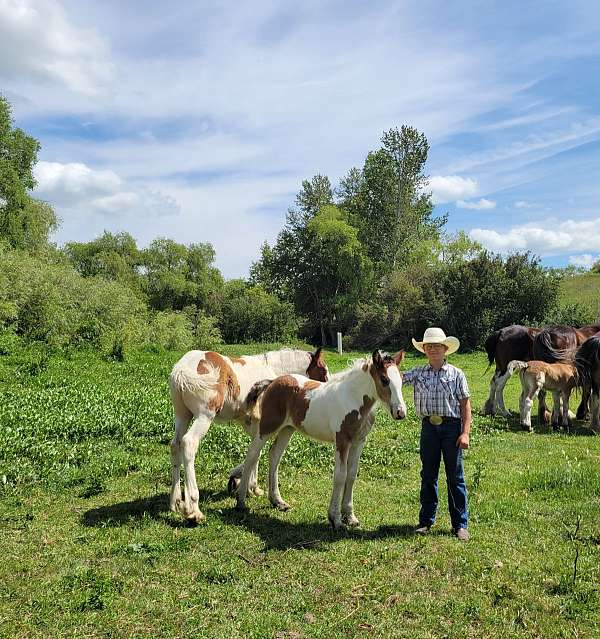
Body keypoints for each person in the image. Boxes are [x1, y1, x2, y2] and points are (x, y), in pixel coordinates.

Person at [402, 327, 471, 541]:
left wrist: (465, 433)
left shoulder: (456, 374)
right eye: (429, 346)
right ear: (424, 350)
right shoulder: (417, 373)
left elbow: (465, 405)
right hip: (428, 428)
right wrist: (385, 364)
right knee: (428, 475)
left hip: (451, 428)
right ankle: (425, 521)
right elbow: (395, 377)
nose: (433, 350)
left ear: (445, 349)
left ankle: (460, 524)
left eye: (437, 347)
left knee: (455, 476)